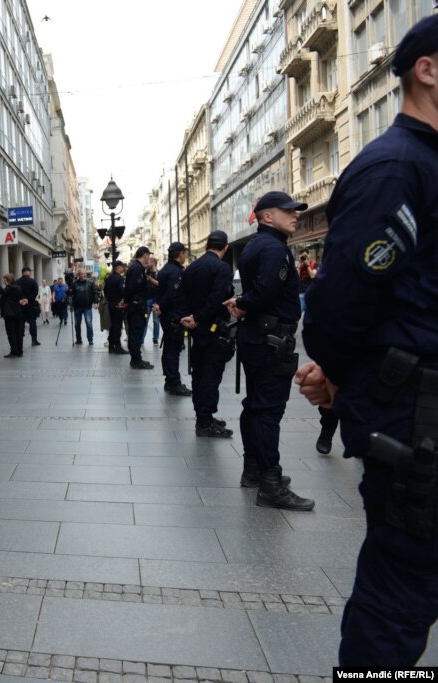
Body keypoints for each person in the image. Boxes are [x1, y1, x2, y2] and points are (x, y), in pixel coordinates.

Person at [296, 16, 438, 665]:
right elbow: (338, 301)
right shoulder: (394, 168)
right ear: (426, 70)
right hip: (414, 420)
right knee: (401, 589)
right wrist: (339, 377)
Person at [225, 191, 314, 511]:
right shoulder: (274, 248)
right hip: (271, 338)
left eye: (296, 211)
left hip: (260, 336)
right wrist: (242, 303)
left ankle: (255, 470)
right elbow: (263, 292)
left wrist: (243, 303)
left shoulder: (255, 246)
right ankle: (270, 483)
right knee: (268, 410)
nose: (295, 215)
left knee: (256, 406)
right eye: (287, 210)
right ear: (266, 216)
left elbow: (257, 292)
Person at [180, 231, 234, 436]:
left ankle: (203, 416)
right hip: (212, 329)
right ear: (225, 248)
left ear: (206, 246)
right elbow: (217, 299)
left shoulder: (191, 267)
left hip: (196, 329)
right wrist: (199, 318)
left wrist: (188, 318)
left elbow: (182, 296)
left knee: (199, 373)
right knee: (211, 375)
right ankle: (204, 422)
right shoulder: (222, 268)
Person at [155, 242, 191, 396]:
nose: (185, 256)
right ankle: (174, 382)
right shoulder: (175, 272)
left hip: (168, 314)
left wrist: (159, 306)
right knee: (173, 349)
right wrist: (161, 306)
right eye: (184, 253)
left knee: (170, 348)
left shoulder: (165, 270)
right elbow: (171, 295)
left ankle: (170, 380)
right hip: (173, 315)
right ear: (179, 254)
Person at [124, 247, 155, 369]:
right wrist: (126, 301)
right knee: (136, 333)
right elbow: (132, 288)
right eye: (148, 256)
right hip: (136, 306)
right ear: (144, 255)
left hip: (136, 304)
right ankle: (136, 360)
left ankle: (137, 358)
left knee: (136, 332)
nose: (149, 258)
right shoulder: (137, 268)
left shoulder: (137, 267)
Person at [0, 273, 26, 357]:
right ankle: (19, 351)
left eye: (4, 279)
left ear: (7, 280)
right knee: (18, 333)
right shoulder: (18, 287)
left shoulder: (10, 288)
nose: (3, 281)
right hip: (18, 312)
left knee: (11, 333)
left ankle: (14, 351)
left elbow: (2, 292)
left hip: (9, 314)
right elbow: (21, 298)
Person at [69, 267, 98, 345]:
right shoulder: (74, 284)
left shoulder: (90, 283)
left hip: (87, 307)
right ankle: (78, 339)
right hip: (77, 307)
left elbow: (94, 293)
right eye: (83, 274)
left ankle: (90, 339)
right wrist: (70, 303)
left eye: (85, 273)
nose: (85, 275)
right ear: (79, 275)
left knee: (89, 323)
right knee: (77, 324)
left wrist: (96, 302)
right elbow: (72, 295)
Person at [104, 261, 128, 355]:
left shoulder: (108, 278)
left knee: (113, 326)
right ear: (118, 267)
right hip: (118, 305)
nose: (123, 268)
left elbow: (105, 291)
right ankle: (117, 347)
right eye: (122, 267)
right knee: (117, 326)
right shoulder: (120, 278)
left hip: (111, 304)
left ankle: (111, 347)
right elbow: (122, 292)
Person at [16, 266, 41, 347]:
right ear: (29, 272)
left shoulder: (17, 282)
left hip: (20, 305)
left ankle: (20, 339)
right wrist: (27, 300)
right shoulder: (33, 281)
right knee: (32, 323)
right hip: (30, 305)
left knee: (20, 324)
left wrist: (21, 300)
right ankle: (34, 340)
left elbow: (15, 293)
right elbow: (35, 292)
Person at [143, 257, 161, 344]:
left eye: (149, 262)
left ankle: (155, 338)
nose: (147, 263)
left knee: (156, 321)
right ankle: (142, 339)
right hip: (148, 299)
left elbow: (160, 284)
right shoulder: (146, 272)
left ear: (153, 263)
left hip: (156, 301)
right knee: (145, 320)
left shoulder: (159, 273)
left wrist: (151, 279)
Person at [296, 248, 317, 313]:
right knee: (298, 314)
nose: (304, 258)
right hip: (301, 293)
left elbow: (312, 276)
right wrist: (299, 264)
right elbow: (296, 278)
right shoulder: (300, 266)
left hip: (311, 293)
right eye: (303, 256)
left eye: (305, 256)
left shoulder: (315, 264)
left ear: (309, 255)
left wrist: (307, 264)